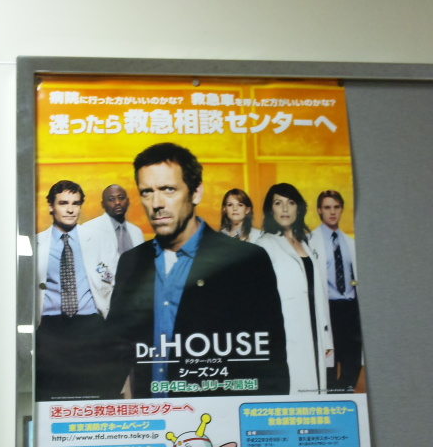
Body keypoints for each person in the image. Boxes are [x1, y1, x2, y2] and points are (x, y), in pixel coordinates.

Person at [103, 142, 289, 399]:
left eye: (168, 189)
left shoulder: (246, 261)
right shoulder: (132, 262)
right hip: (152, 416)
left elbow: (270, 365)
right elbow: (113, 353)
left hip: (215, 415)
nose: (156, 203)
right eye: (147, 192)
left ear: (196, 193)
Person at [36, 179, 115, 400]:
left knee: (93, 391)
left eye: (76, 203)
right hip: (50, 326)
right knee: (52, 393)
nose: (70, 209)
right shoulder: (36, 244)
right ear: (51, 206)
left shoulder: (99, 240)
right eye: (63, 203)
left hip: (90, 324)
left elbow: (113, 279)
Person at [258, 183, 333, 394]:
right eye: (278, 203)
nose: (284, 209)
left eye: (290, 203)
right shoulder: (265, 244)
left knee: (317, 387)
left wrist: (326, 337)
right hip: (286, 331)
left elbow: (319, 293)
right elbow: (260, 298)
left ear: (298, 208)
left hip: (314, 328)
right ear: (270, 209)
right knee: (296, 386)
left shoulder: (305, 243)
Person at [309, 190, 362, 392]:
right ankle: (332, 394)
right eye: (327, 207)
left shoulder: (351, 242)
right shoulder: (309, 241)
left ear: (342, 210)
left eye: (336, 207)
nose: (332, 212)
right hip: (327, 309)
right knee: (328, 360)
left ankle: (346, 392)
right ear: (319, 210)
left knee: (352, 360)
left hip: (350, 309)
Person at [81, 183, 144, 285]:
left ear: (128, 201)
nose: (117, 202)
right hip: (107, 289)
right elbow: (94, 264)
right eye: (111, 199)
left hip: (135, 289)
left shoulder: (137, 232)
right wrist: (116, 283)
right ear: (103, 204)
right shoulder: (90, 228)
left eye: (121, 198)